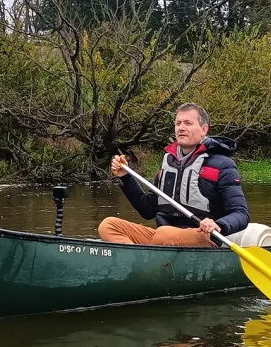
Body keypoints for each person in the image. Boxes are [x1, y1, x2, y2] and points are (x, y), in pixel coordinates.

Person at [99, 103, 250, 247]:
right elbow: (147, 210)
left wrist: (218, 225)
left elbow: (241, 213)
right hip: (163, 237)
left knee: (163, 234)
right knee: (108, 225)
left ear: (203, 129)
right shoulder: (168, 163)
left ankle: (150, 256)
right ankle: (137, 259)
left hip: (202, 237)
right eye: (178, 124)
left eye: (188, 123)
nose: (181, 128)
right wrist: (125, 176)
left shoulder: (223, 165)